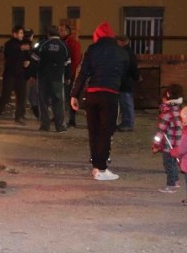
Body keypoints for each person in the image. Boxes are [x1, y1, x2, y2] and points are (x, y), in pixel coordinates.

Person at [70, 21, 129, 181]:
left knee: (94, 132)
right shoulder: (121, 52)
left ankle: (97, 166)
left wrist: (74, 94)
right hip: (109, 95)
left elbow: (83, 73)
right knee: (106, 132)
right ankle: (102, 169)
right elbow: (125, 75)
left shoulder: (92, 49)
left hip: (92, 94)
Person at [31, 25, 70, 132]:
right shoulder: (64, 45)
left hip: (43, 77)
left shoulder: (43, 44)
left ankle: (45, 125)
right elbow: (67, 63)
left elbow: (34, 61)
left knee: (43, 102)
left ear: (48, 34)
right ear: (58, 34)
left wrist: (33, 76)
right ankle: (60, 126)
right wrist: (67, 77)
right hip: (57, 77)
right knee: (58, 101)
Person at [0, 25, 28, 125]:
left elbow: (26, 55)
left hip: (20, 74)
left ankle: (19, 117)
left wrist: (27, 62)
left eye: (22, 33)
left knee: (21, 96)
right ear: (14, 34)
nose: (22, 35)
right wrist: (21, 48)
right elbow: (11, 54)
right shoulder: (9, 44)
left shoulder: (24, 44)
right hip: (10, 74)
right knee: (6, 95)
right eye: (20, 33)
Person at [152, 84, 184, 193]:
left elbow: (160, 132)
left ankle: (171, 185)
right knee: (174, 163)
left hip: (168, 146)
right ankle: (176, 181)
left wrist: (156, 145)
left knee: (168, 164)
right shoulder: (180, 113)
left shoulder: (166, 115)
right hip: (179, 144)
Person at [116, 35, 140, 131]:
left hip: (125, 81)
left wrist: (135, 76)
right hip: (126, 80)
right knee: (125, 102)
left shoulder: (126, 53)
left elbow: (133, 67)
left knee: (126, 102)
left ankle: (128, 123)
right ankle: (126, 122)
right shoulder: (128, 52)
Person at [60, 24, 81, 128]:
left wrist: (70, 75)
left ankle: (71, 119)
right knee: (65, 97)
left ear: (67, 32)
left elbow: (75, 60)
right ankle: (65, 117)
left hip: (69, 75)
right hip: (66, 74)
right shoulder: (66, 42)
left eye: (62, 30)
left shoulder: (71, 43)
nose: (60, 32)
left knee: (69, 97)